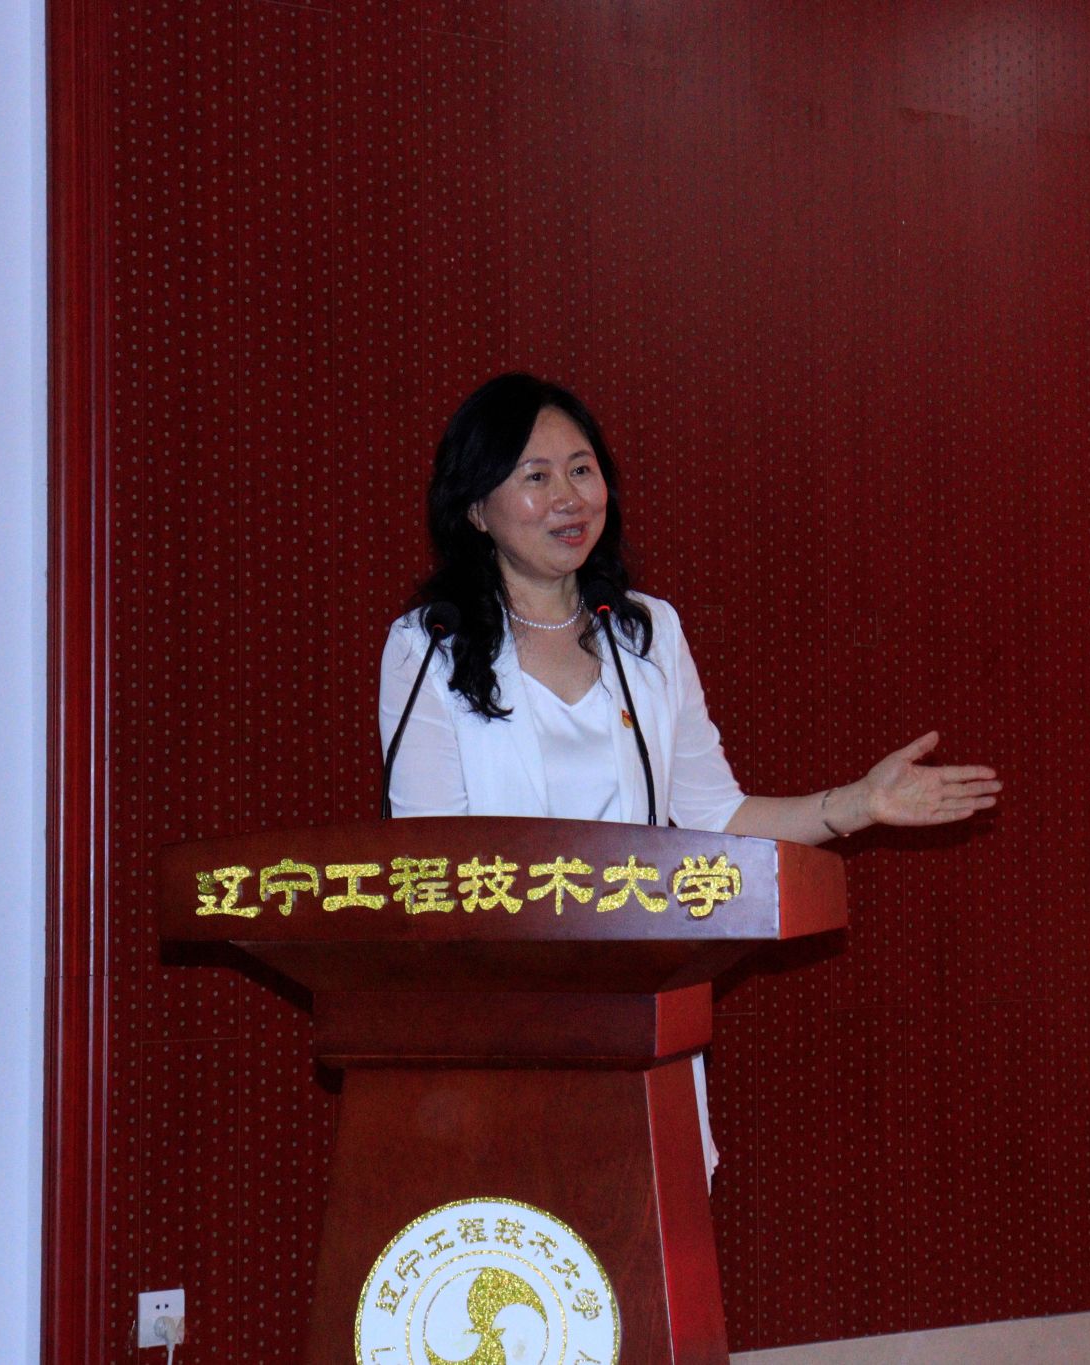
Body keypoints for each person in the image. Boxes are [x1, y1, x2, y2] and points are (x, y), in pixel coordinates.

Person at [377, 372, 1002, 1177]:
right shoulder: (428, 648)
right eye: (535, 476)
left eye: (582, 469)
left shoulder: (648, 635)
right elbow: (428, 863)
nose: (568, 497)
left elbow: (715, 817)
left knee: (651, 1245)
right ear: (475, 508)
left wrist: (860, 803)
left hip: (640, 1021)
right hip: (499, 1030)